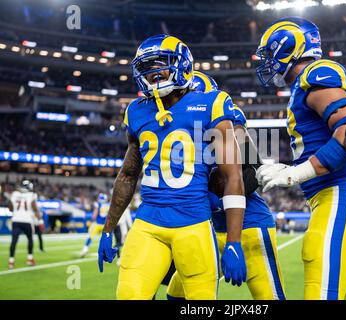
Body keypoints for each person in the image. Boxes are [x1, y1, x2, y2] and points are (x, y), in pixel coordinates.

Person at [97, 34, 246, 300]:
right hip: (148, 223)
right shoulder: (136, 111)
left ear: (182, 65)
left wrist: (234, 241)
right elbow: (128, 174)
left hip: (194, 225)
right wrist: (109, 228)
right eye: (146, 67)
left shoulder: (212, 104)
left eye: (160, 64)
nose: (153, 73)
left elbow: (233, 174)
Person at [254, 17, 346, 300]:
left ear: (289, 47)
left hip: (340, 194)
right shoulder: (303, 84)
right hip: (336, 196)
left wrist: (296, 174)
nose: (268, 62)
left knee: (319, 283)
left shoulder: (317, 73)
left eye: (270, 54)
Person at [166, 71, 286, 300]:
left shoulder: (227, 122)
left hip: (248, 225)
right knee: (176, 295)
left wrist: (212, 195)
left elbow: (251, 174)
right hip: (205, 230)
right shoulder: (176, 133)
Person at [8, 180, 40, 268]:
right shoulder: (32, 195)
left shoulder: (15, 194)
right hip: (27, 220)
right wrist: (39, 220)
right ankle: (30, 259)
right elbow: (34, 208)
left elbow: (10, 208)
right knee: (30, 239)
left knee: (14, 240)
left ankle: (11, 261)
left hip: (16, 220)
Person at [80, 193, 109, 258]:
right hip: (104, 225)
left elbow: (94, 215)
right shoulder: (108, 205)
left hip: (97, 224)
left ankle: (85, 249)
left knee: (90, 237)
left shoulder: (98, 204)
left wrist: (92, 220)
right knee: (104, 240)